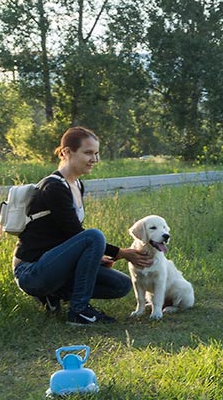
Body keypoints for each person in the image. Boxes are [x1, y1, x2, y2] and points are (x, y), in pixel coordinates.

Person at [12, 126, 151, 325]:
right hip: (31, 271)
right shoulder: (54, 187)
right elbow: (76, 233)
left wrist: (96, 257)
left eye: (96, 153)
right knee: (94, 236)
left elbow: (66, 238)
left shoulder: (77, 185)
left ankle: (53, 294)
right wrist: (121, 253)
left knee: (120, 285)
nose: (94, 159)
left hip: (55, 265)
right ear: (67, 152)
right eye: (88, 153)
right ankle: (79, 311)